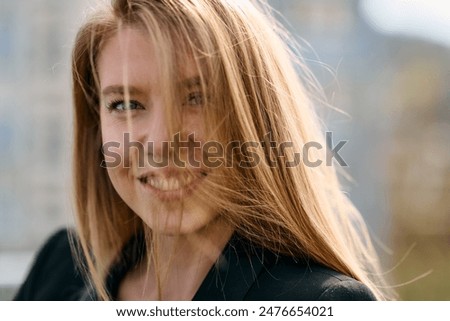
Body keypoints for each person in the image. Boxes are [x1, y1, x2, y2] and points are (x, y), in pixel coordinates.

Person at [15, 0, 394, 301]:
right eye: (126, 104)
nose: (162, 142)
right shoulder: (60, 270)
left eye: (197, 98)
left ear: (256, 119)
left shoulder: (325, 302)